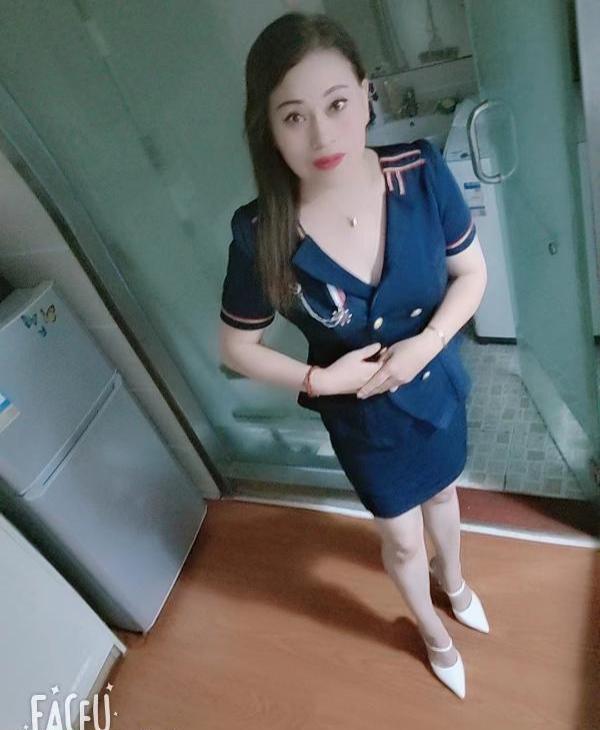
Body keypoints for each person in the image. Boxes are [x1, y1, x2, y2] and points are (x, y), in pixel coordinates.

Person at [218, 12, 489, 700]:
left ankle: (456, 580)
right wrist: (319, 377)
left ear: (367, 95)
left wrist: (429, 342)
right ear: (268, 129)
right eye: (294, 117)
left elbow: (472, 274)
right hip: (365, 424)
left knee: (446, 494)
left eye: (337, 104)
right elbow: (236, 347)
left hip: (437, 391)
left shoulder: (420, 173)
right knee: (402, 540)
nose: (322, 135)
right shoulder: (260, 234)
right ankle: (432, 631)